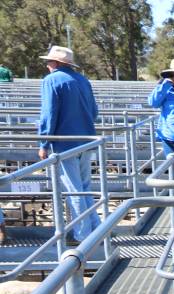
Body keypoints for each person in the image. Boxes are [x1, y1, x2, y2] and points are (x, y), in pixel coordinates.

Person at [37, 45, 100, 243]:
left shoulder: (52, 80)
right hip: (85, 140)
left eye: (48, 62)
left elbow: (49, 114)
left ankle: (83, 236)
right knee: (84, 187)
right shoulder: (82, 80)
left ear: (55, 63)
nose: (47, 65)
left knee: (73, 189)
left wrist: (44, 143)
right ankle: (97, 228)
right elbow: (94, 112)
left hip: (65, 143)